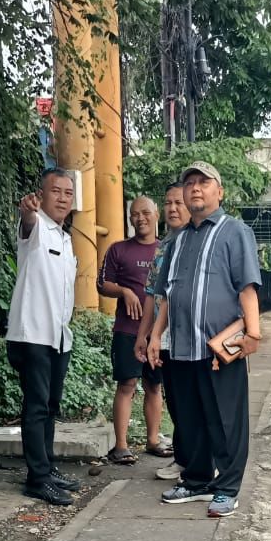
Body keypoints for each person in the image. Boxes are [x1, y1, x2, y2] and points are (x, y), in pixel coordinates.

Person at [148, 162, 262, 518]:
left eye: (204, 182)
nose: (195, 188)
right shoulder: (177, 240)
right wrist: (155, 336)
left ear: (219, 192)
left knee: (226, 420)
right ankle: (197, 480)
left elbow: (247, 287)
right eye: (190, 183)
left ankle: (227, 488)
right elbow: (167, 295)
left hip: (220, 349)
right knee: (190, 419)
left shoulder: (235, 232)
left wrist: (254, 333)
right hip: (181, 347)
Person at [6, 169, 82, 506]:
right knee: (36, 406)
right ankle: (37, 479)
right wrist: (27, 210)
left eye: (68, 193)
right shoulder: (36, 227)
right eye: (56, 191)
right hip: (32, 334)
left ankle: (47, 468)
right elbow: (27, 221)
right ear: (41, 194)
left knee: (50, 405)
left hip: (58, 337)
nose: (63, 198)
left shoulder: (65, 238)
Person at [98, 196, 169, 464]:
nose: (140, 218)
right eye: (135, 214)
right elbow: (102, 284)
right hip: (127, 330)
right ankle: (121, 446)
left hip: (158, 333)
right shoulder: (118, 249)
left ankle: (153, 440)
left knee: (155, 385)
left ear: (156, 214)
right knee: (127, 384)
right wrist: (124, 291)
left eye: (145, 213)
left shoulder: (166, 250)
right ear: (130, 219)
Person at [135, 183, 191, 481]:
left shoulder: (195, 242)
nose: (172, 208)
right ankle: (183, 458)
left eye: (178, 203)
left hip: (189, 337)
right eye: (168, 203)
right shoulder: (163, 246)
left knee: (191, 401)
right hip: (163, 338)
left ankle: (198, 461)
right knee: (174, 400)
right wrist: (143, 335)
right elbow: (151, 295)